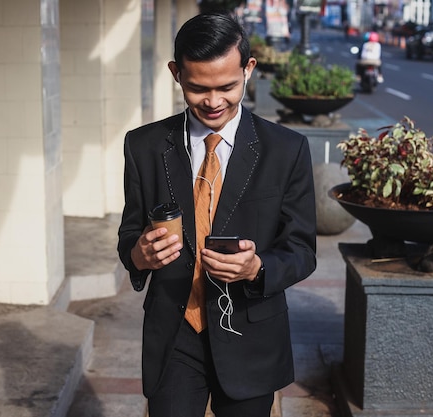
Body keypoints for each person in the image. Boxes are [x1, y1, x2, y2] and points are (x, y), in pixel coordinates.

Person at [117, 12, 317, 417]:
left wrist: (257, 267)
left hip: (250, 336)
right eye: (197, 88)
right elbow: (129, 236)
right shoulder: (144, 146)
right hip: (174, 334)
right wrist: (139, 255)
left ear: (249, 69)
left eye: (227, 87)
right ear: (176, 74)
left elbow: (301, 250)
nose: (213, 102)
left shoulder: (286, 149)